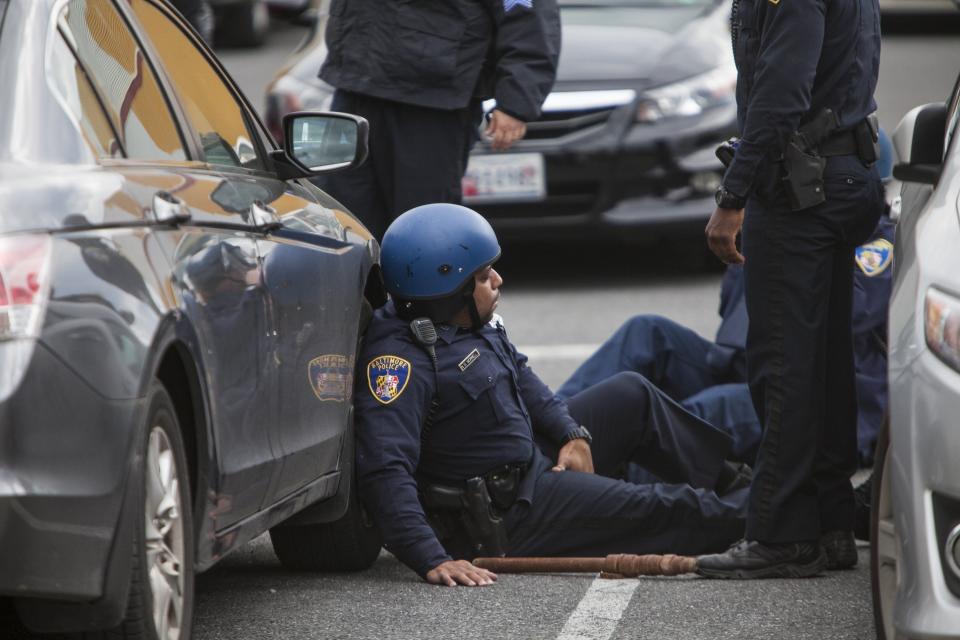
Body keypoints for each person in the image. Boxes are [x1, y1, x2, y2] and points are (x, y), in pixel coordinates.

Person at [354, 203, 748, 586]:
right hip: (507, 514)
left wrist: (570, 433)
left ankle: (739, 481)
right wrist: (430, 557)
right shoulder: (401, 364)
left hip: (529, 461)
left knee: (633, 394)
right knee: (667, 508)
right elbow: (385, 468)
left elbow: (522, 377)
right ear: (447, 288)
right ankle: (776, 518)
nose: (498, 281)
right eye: (484, 275)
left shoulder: (462, 320)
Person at [697, 0, 883, 579]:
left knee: (782, 365)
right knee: (825, 360)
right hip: (846, 172)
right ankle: (830, 524)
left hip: (803, 188)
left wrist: (733, 197)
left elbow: (781, 94)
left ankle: (781, 534)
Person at [557, 214, 895, 468]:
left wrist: (797, 242)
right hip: (751, 369)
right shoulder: (778, 222)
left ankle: (584, 478)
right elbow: (732, 306)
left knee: (700, 410)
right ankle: (550, 430)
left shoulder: (874, 242)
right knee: (646, 332)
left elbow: (847, 314)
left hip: (809, 396)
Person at [315, 0, 561, 240]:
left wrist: (515, 103)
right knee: (344, 226)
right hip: (353, 87)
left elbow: (526, 16)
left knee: (424, 232)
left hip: (430, 104)